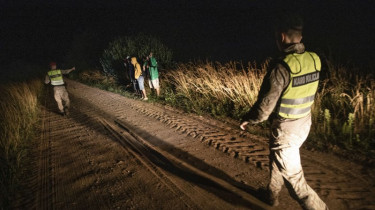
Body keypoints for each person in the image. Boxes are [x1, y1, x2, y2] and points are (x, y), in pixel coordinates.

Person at [240, 14, 328, 210]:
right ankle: (271, 194)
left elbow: (264, 109)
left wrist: (248, 119)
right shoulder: (315, 59)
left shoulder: (281, 67)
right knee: (276, 157)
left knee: (298, 185)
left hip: (286, 130)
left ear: (281, 37)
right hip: (304, 123)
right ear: (301, 35)